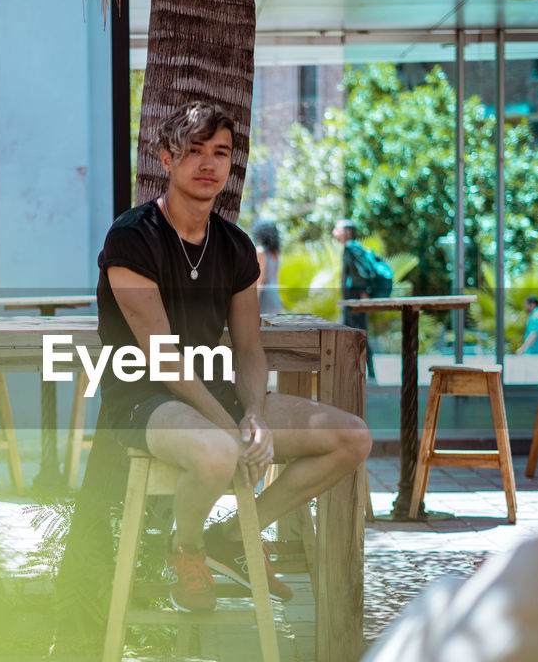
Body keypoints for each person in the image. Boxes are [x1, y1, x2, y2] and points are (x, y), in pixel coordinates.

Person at [96, 101, 371, 612]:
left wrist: (256, 416)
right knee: (220, 451)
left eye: (220, 153)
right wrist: (228, 426)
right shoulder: (131, 237)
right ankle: (189, 550)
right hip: (140, 397)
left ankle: (235, 536)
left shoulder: (237, 246)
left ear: (230, 164)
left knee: (350, 437)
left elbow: (247, 347)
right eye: (194, 151)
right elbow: (161, 357)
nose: (208, 164)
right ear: (166, 158)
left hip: (211, 390)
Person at [333, 218, 376, 381]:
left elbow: (361, 273)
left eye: (337, 229)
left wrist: (362, 292)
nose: (334, 233)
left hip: (354, 301)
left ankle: (368, 374)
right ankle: (365, 373)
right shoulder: (351, 248)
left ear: (348, 232)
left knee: (357, 335)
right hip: (351, 301)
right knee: (355, 335)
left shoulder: (352, 248)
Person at [252, 219, 283, 315]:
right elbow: (276, 280)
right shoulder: (276, 253)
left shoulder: (261, 251)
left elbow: (259, 280)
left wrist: (252, 303)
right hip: (275, 298)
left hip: (264, 298)